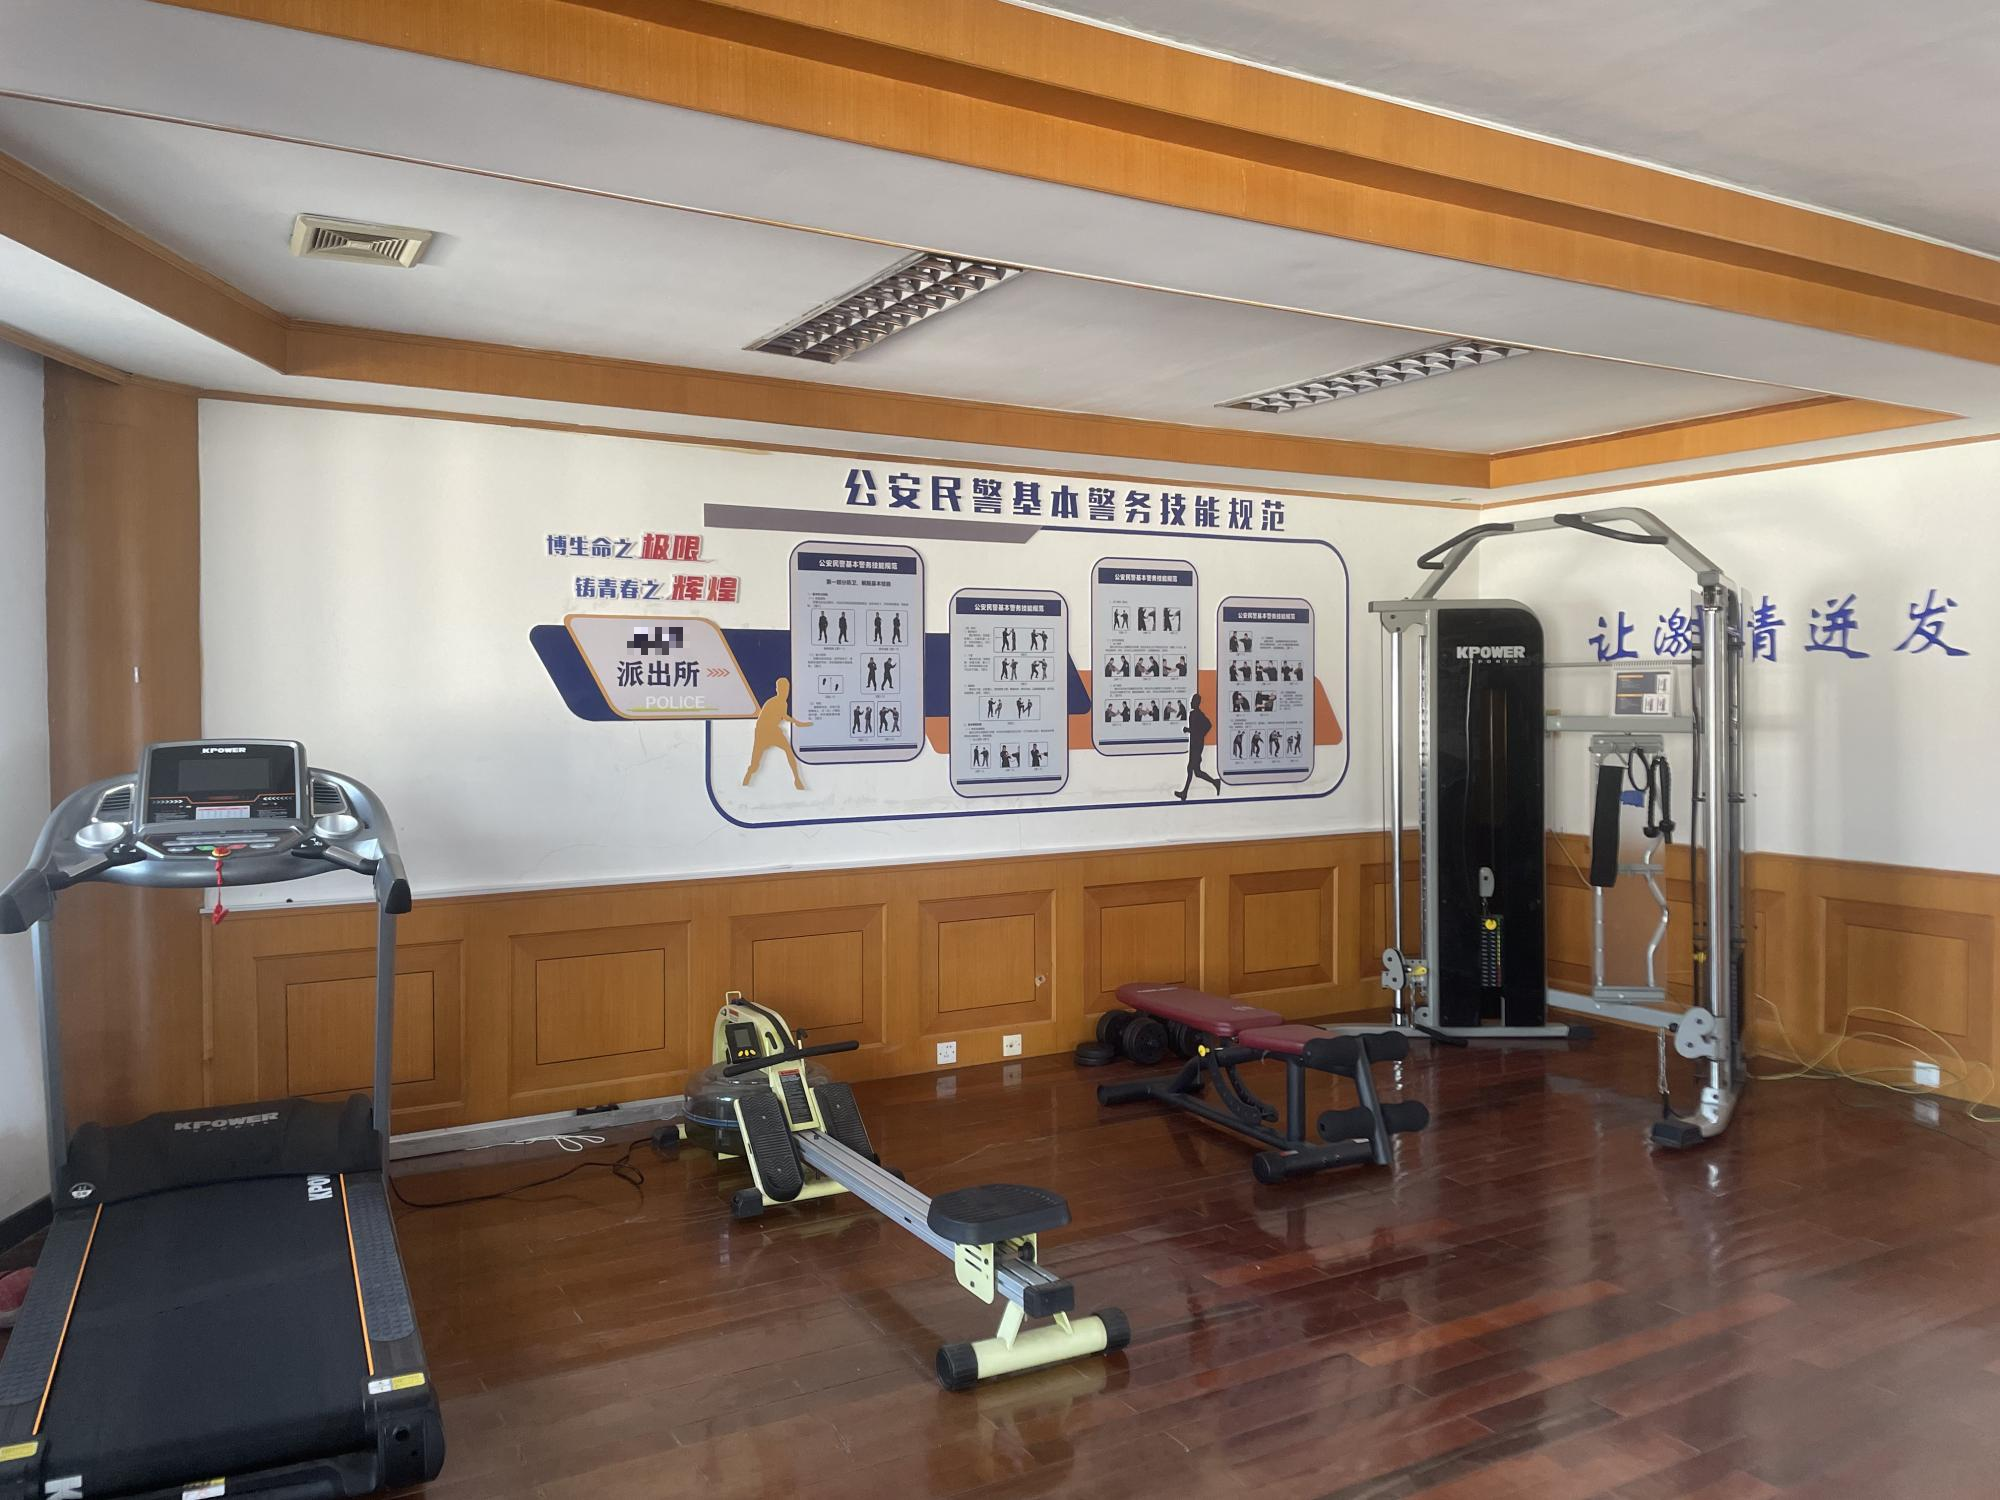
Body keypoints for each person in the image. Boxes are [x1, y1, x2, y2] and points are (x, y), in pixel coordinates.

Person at [743, 677, 812, 790]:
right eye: (782, 689)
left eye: (787, 689)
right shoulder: (772, 702)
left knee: (789, 751)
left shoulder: (784, 703)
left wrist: (798, 723)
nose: (785, 692)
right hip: (762, 732)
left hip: (774, 731)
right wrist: (797, 723)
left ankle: (797, 779)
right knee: (755, 765)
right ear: (777, 689)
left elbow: (784, 716)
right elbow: (766, 721)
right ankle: (748, 776)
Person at [1176, 692, 1221, 800]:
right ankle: (1215, 782)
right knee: (1197, 772)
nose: (1191, 702)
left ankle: (1184, 793)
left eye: (1193, 701)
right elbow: (1199, 728)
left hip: (1197, 746)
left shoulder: (1197, 714)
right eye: (1191, 701)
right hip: (1194, 745)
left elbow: (1207, 725)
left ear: (1197, 703)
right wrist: (1196, 733)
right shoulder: (1193, 714)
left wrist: (1192, 731)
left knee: (1191, 768)